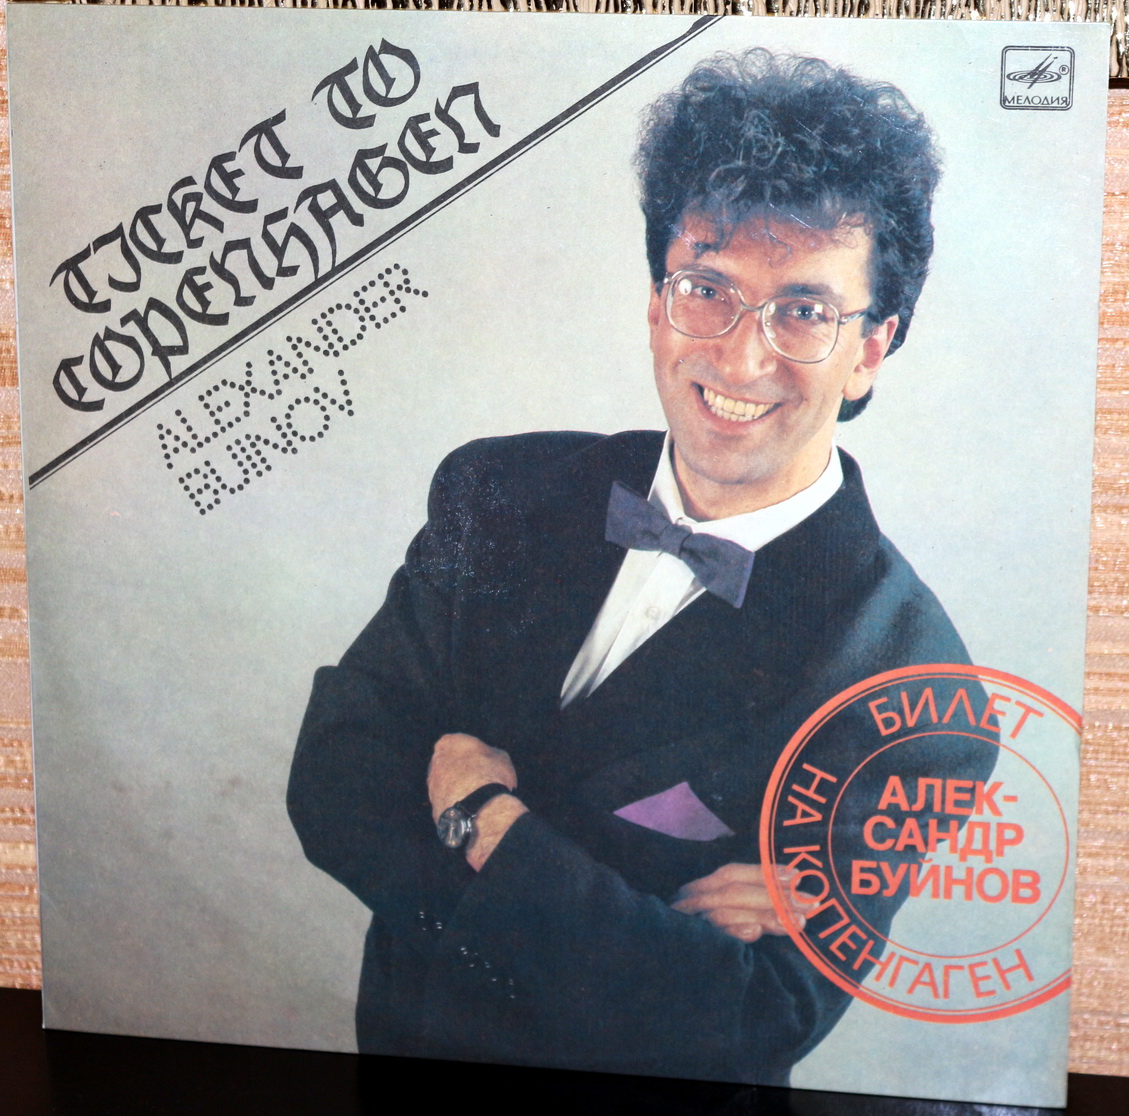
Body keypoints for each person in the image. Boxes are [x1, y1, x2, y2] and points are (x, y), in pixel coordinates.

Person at [288, 49, 995, 1085]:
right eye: (707, 289)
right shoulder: (499, 487)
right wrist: (633, 930)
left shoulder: (911, 688)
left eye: (804, 310)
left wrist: (487, 824)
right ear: (658, 303)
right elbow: (333, 776)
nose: (741, 357)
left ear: (871, 350)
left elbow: (747, 1018)